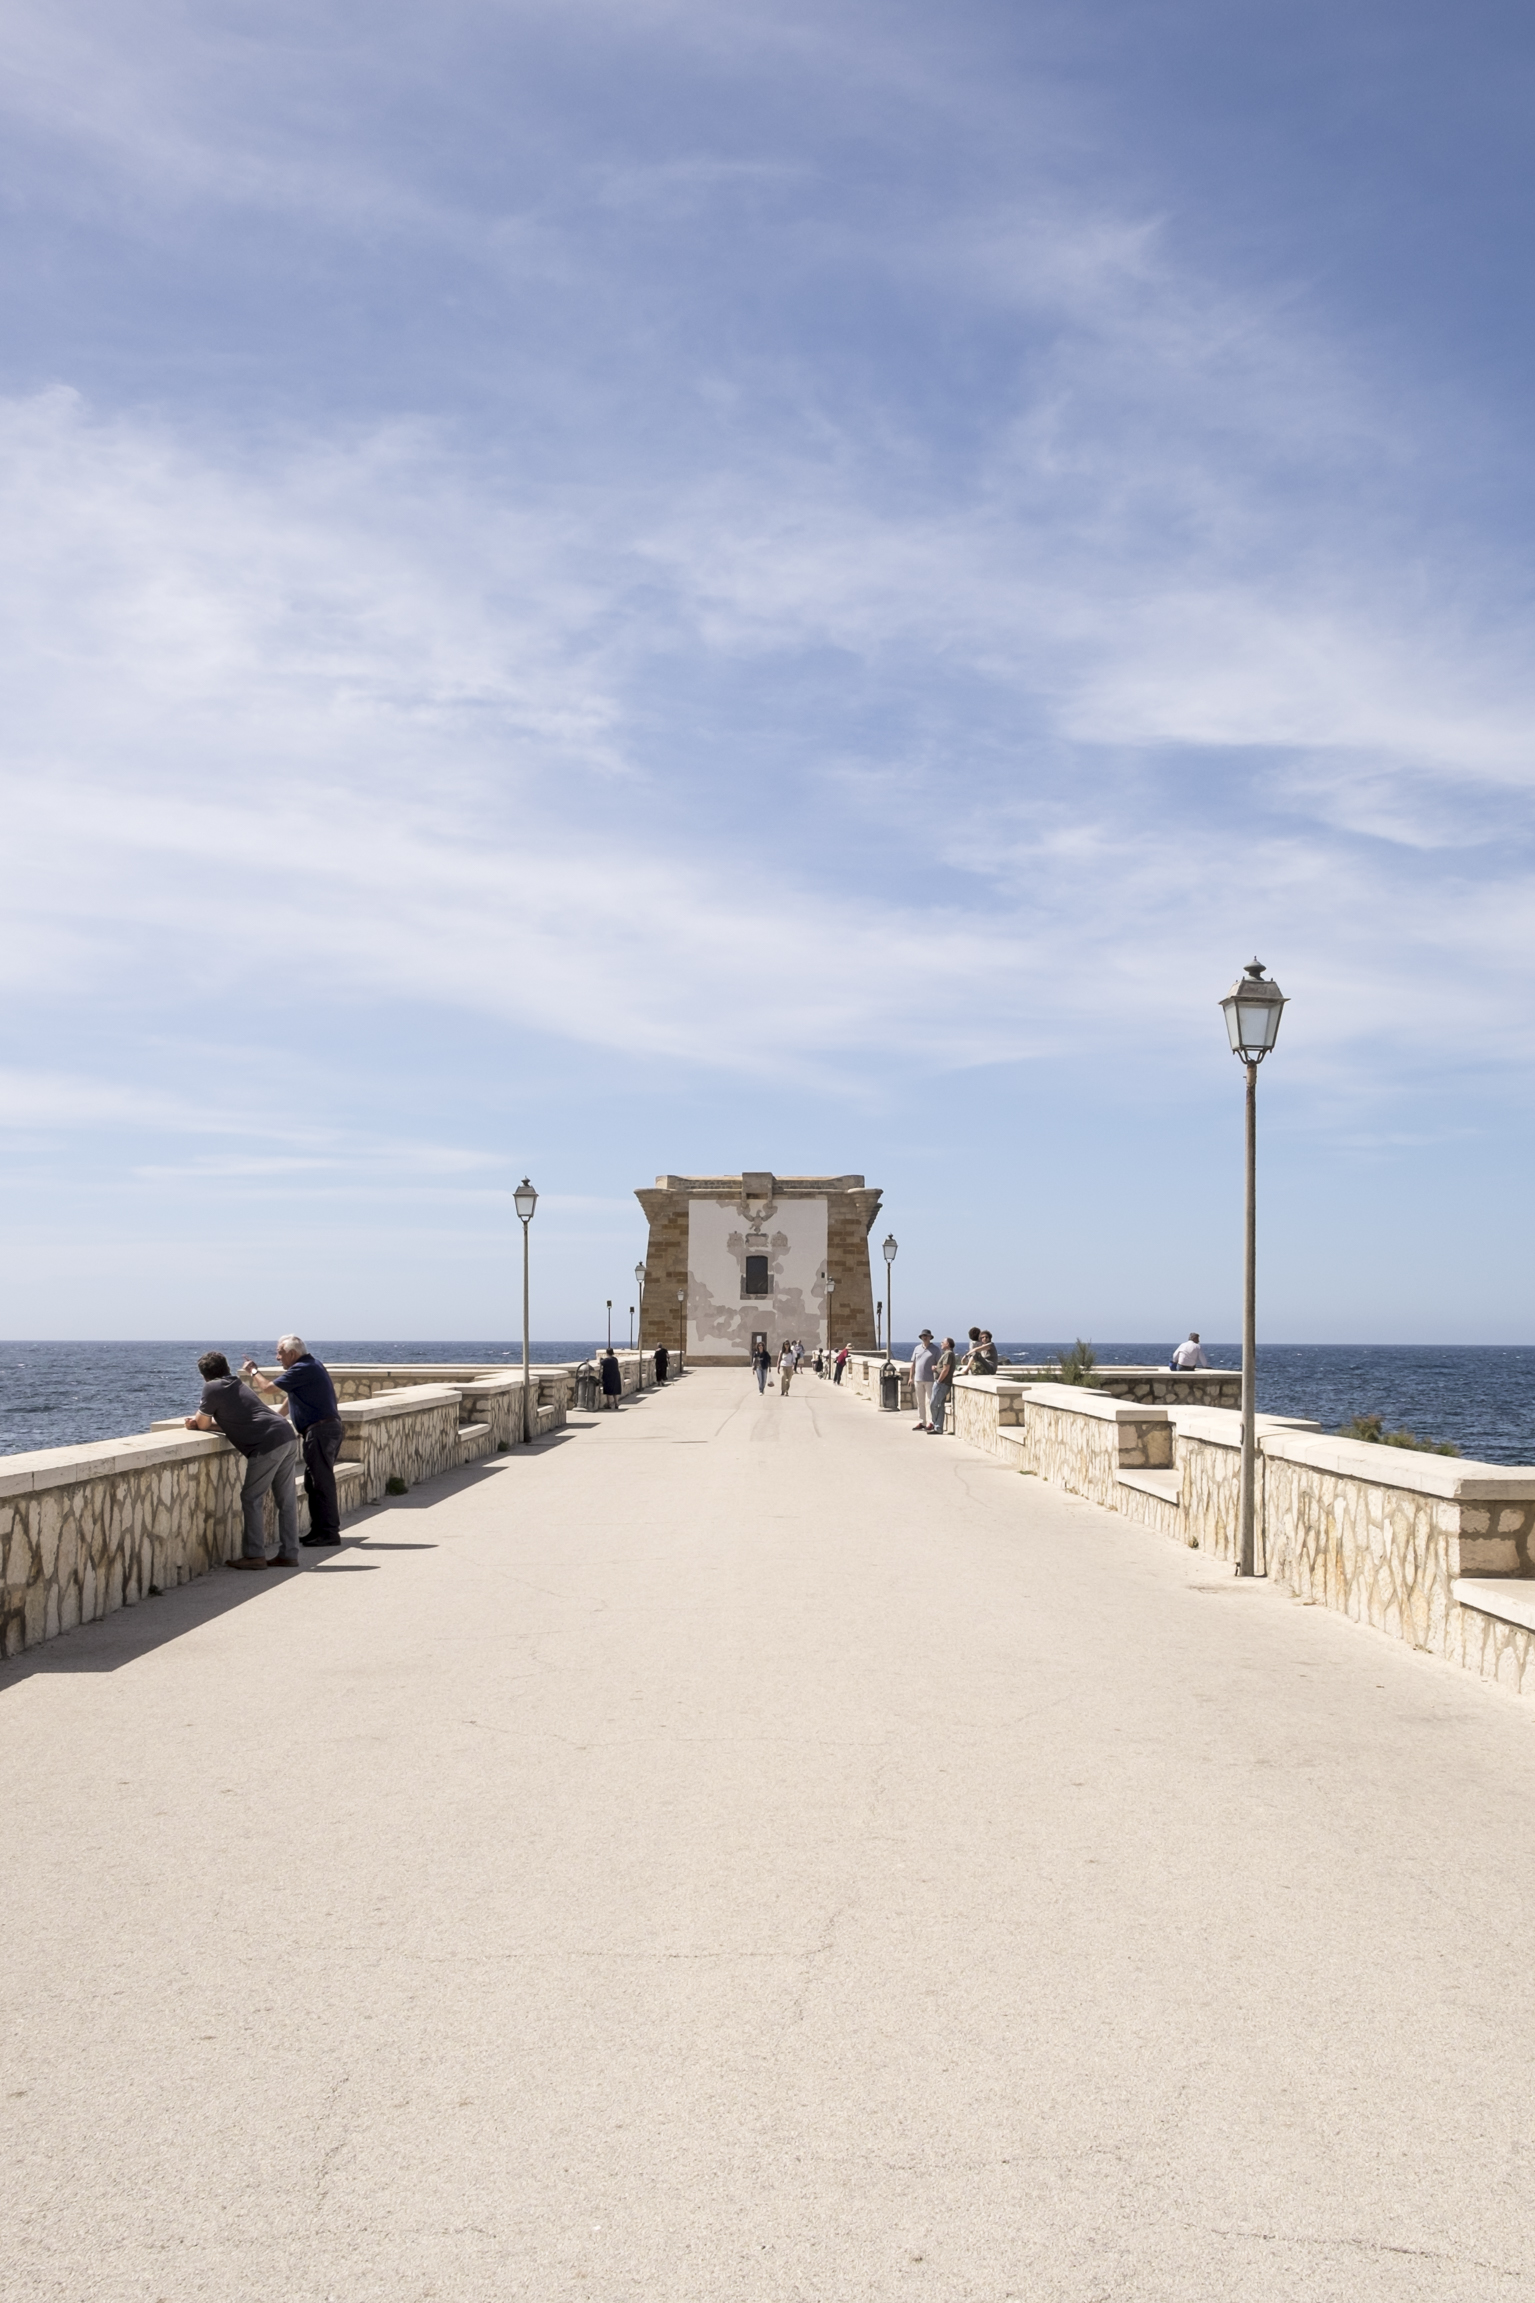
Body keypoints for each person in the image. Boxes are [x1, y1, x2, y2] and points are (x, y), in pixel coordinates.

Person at [185, 1351, 300, 1569]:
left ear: (204, 1376)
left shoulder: (212, 1387)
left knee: (251, 1497)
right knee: (286, 1500)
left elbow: (202, 1423)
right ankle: (289, 1554)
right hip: (285, 1434)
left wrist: (194, 1423)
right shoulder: (235, 1382)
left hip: (266, 1443)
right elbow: (240, 1422)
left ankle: (255, 1555)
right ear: (227, 1368)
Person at [241, 1335, 343, 1549]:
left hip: (321, 1431)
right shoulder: (311, 1366)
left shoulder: (303, 1368)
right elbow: (292, 1398)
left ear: (292, 1353)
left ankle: (329, 1533)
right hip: (323, 1430)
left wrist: (253, 1371)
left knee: (321, 1483)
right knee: (313, 1482)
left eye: (280, 1353)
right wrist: (277, 1418)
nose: (278, 1358)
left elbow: (268, 1388)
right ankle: (319, 1530)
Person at [929, 1336, 957, 1434]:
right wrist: (937, 1368)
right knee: (940, 1405)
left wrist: (939, 1381)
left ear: (947, 1344)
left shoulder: (948, 1354)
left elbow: (946, 1369)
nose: (941, 1344)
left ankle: (935, 1424)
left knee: (933, 1404)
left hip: (942, 1383)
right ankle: (938, 1427)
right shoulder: (947, 1354)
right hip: (943, 1383)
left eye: (942, 1342)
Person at [911, 1330, 937, 1431]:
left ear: (930, 1337)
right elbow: (913, 1364)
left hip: (930, 1379)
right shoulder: (917, 1348)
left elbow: (939, 1364)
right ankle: (922, 1422)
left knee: (930, 1401)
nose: (924, 1337)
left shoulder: (935, 1349)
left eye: (926, 1336)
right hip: (918, 1379)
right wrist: (910, 1377)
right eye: (923, 1336)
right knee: (920, 1402)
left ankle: (931, 1422)